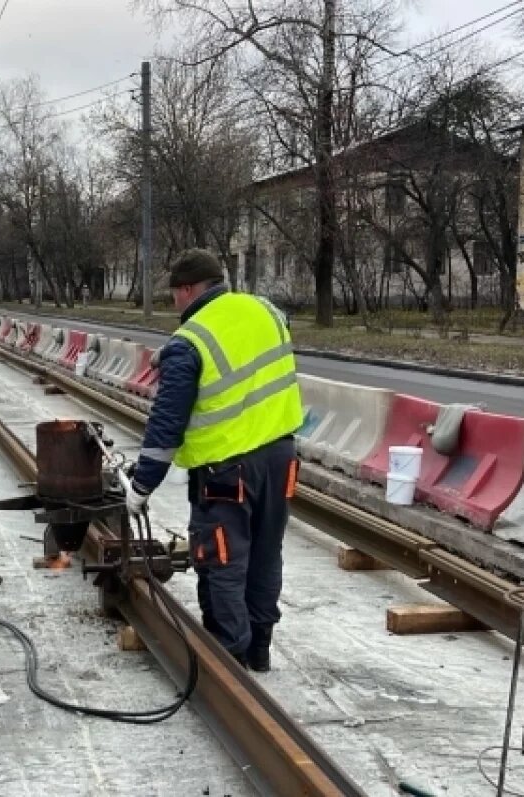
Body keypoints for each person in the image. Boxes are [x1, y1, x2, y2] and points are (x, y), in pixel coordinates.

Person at [125, 249, 303, 671]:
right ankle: (259, 649)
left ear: (187, 290)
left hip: (227, 472)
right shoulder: (264, 309)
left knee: (223, 561)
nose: (174, 306)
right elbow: (248, 348)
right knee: (265, 553)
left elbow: (166, 427)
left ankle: (229, 658)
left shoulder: (189, 343)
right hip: (281, 458)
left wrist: (142, 486)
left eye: (174, 296)